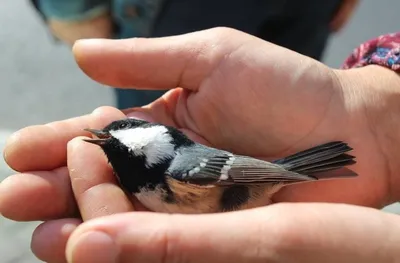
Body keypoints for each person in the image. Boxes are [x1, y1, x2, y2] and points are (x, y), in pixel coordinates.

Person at [1, 27, 400, 262]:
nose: (111, 155)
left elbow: (241, 170)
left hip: (245, 191)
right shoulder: (143, 174)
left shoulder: (181, 169)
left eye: (116, 149)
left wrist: (287, 172)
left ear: (141, 152)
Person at [30, 0, 359, 109]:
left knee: (286, 117)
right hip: (176, 11)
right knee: (161, 149)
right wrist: (72, 8)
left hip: (306, 10)